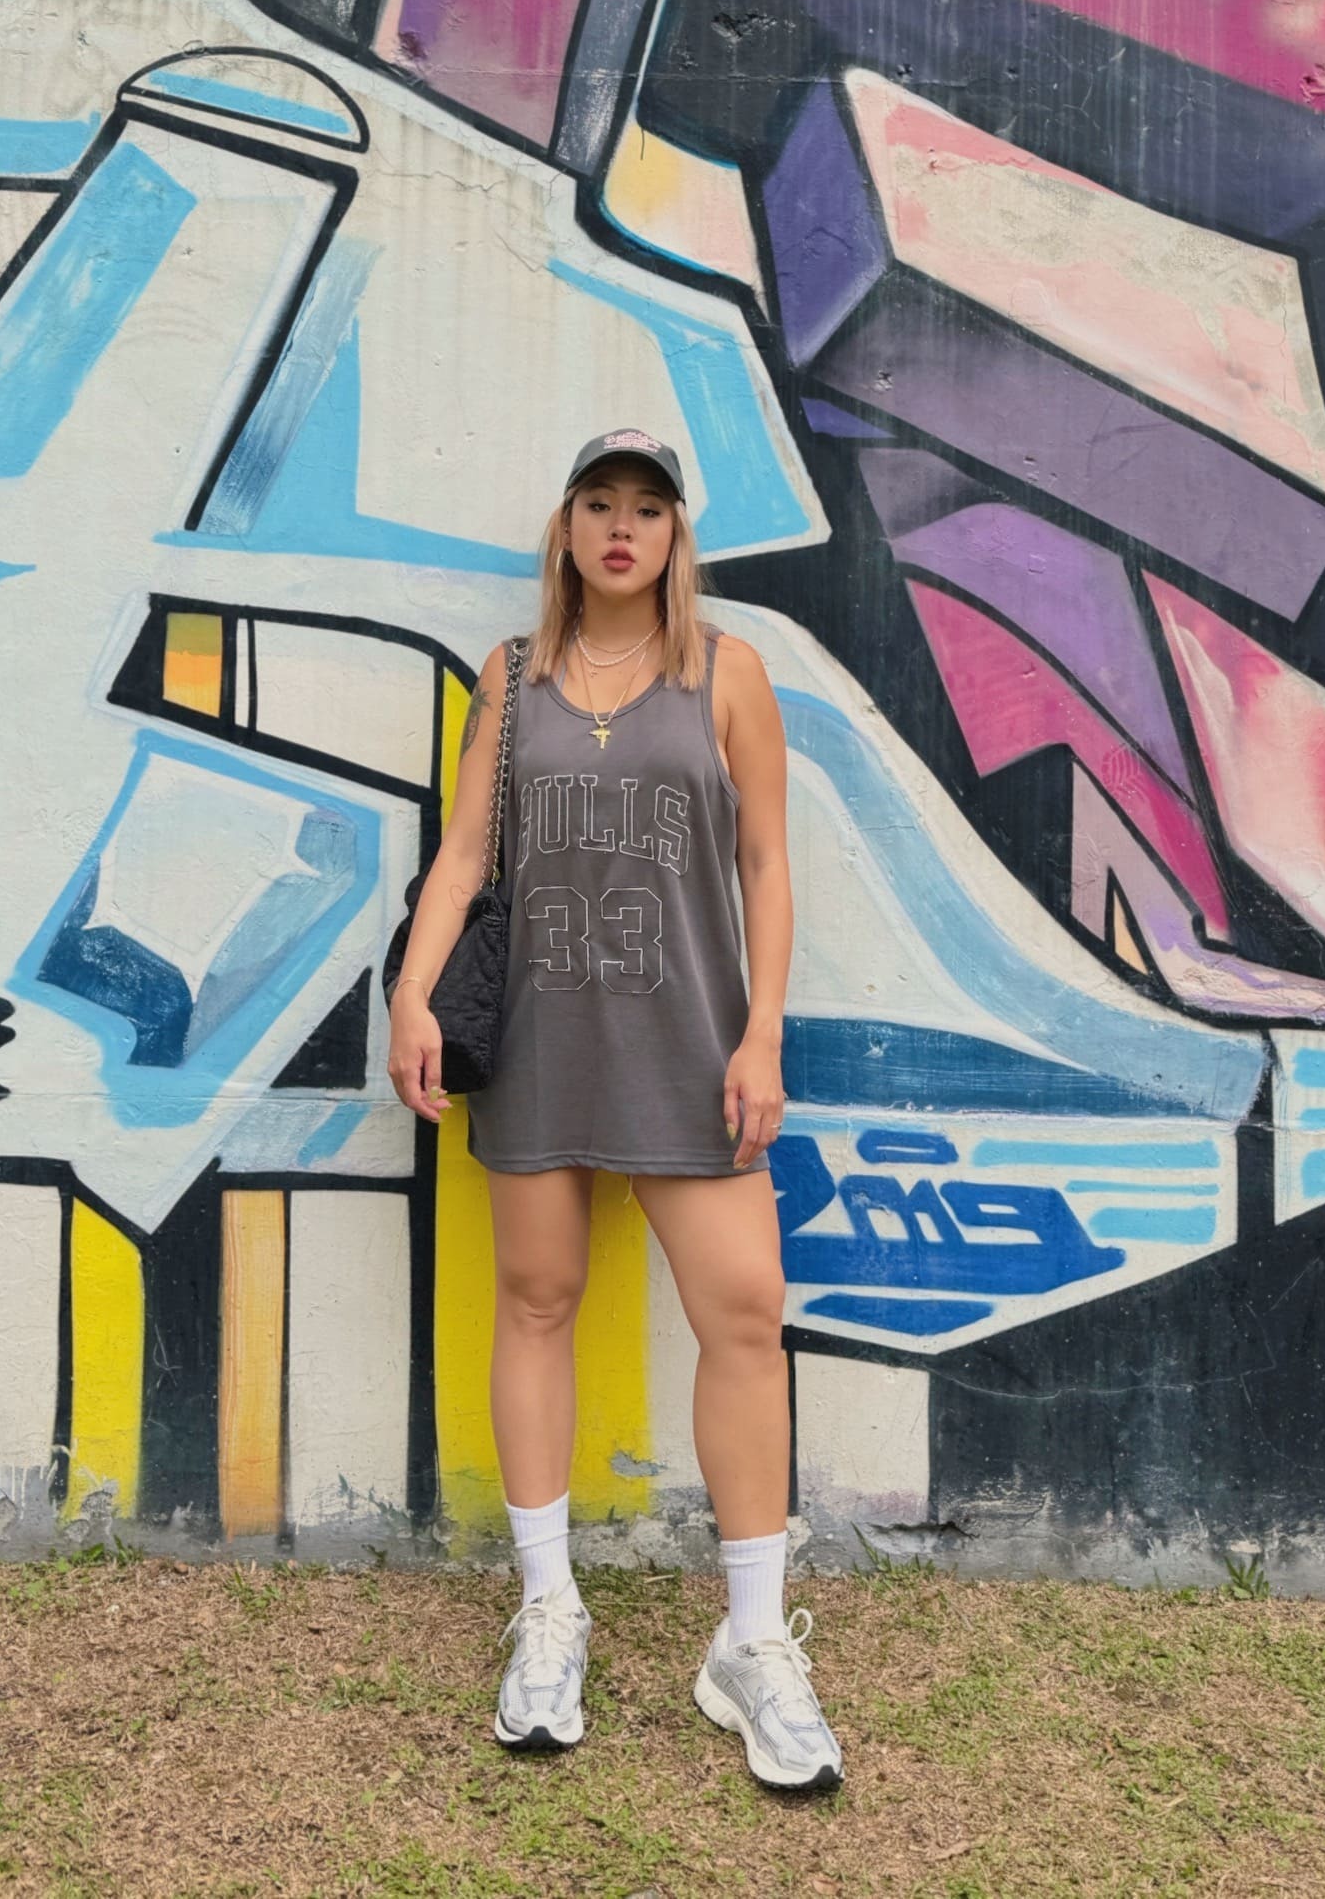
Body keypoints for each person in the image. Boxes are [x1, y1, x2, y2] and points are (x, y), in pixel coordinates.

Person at [388, 429, 842, 1791]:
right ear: (569, 526)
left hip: (689, 1044)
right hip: (541, 1035)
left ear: (676, 533)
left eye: (648, 506)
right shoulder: (513, 676)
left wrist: (762, 1033)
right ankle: (549, 1612)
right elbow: (464, 856)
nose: (623, 526)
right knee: (537, 1299)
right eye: (600, 503)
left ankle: (751, 1643)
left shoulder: (727, 673)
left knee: (744, 1312)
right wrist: (413, 996)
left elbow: (767, 865)